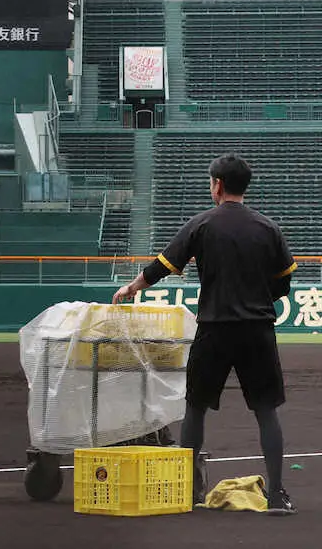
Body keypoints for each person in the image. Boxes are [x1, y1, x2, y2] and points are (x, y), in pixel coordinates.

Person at [112, 154, 297, 515]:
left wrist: (132, 288)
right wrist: (259, 299)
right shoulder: (267, 227)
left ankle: (187, 492)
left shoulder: (202, 224)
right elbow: (284, 282)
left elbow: (162, 266)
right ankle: (276, 495)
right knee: (265, 410)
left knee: (195, 408)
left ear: (217, 185)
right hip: (257, 329)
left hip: (214, 328)